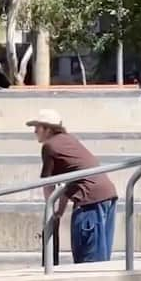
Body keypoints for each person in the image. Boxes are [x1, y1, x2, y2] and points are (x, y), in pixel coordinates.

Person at [27, 109, 117, 264]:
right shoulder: (69, 141)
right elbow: (69, 182)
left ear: (48, 129)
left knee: (88, 262)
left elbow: (47, 184)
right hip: (107, 196)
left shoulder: (49, 146)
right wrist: (59, 212)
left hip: (90, 202)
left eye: (37, 127)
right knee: (101, 261)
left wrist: (50, 212)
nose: (35, 131)